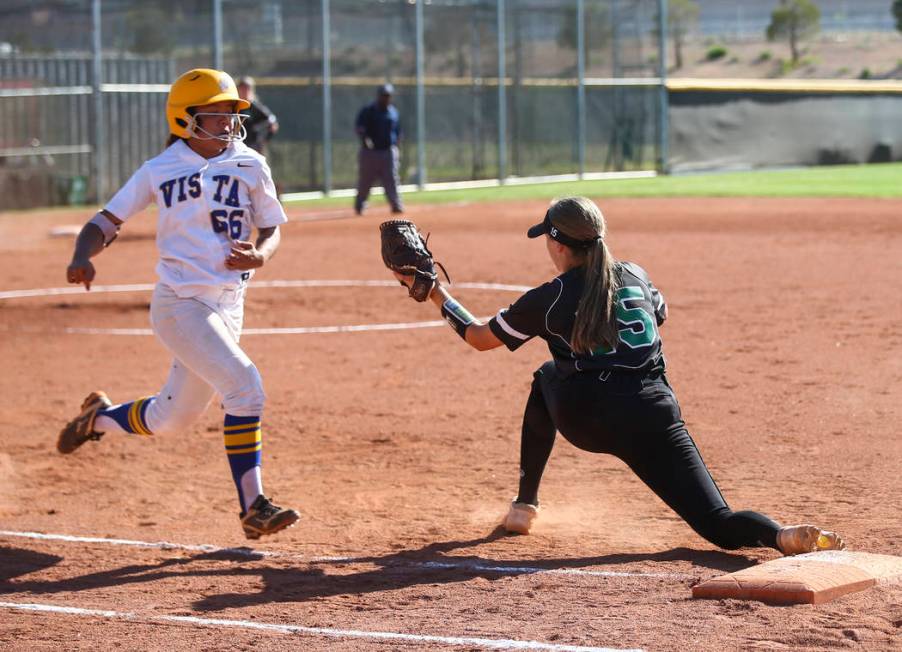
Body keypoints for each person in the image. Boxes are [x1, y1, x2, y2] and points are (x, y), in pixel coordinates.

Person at [393, 196, 845, 556]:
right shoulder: (636, 275)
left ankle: (524, 506)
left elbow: (478, 337)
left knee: (546, 376)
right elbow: (657, 316)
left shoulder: (549, 297)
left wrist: (436, 293)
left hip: (589, 419)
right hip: (655, 414)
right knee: (719, 524)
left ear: (559, 245)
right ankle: (779, 535)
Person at [59, 68, 300, 541]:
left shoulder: (251, 163)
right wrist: (80, 255)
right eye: (216, 114)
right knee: (245, 388)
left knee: (171, 419)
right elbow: (107, 219)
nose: (229, 121)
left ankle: (99, 419)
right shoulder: (160, 168)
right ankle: (254, 507)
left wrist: (261, 254)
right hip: (180, 305)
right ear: (185, 119)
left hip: (229, 305)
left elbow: (272, 227)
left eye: (232, 112)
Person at [354, 83, 403, 216]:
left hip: (388, 151)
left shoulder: (393, 112)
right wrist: (365, 140)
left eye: (388, 96)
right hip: (370, 153)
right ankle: (360, 204)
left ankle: (396, 205)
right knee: (365, 180)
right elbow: (360, 128)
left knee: (392, 179)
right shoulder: (368, 110)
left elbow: (398, 131)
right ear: (378, 96)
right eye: (383, 95)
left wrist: (397, 145)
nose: (386, 98)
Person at [236, 76, 279, 157]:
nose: (244, 92)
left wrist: (264, 140)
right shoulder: (234, 106)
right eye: (242, 89)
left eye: (247, 89)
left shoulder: (255, 107)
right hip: (237, 146)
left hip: (253, 146)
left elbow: (273, 123)